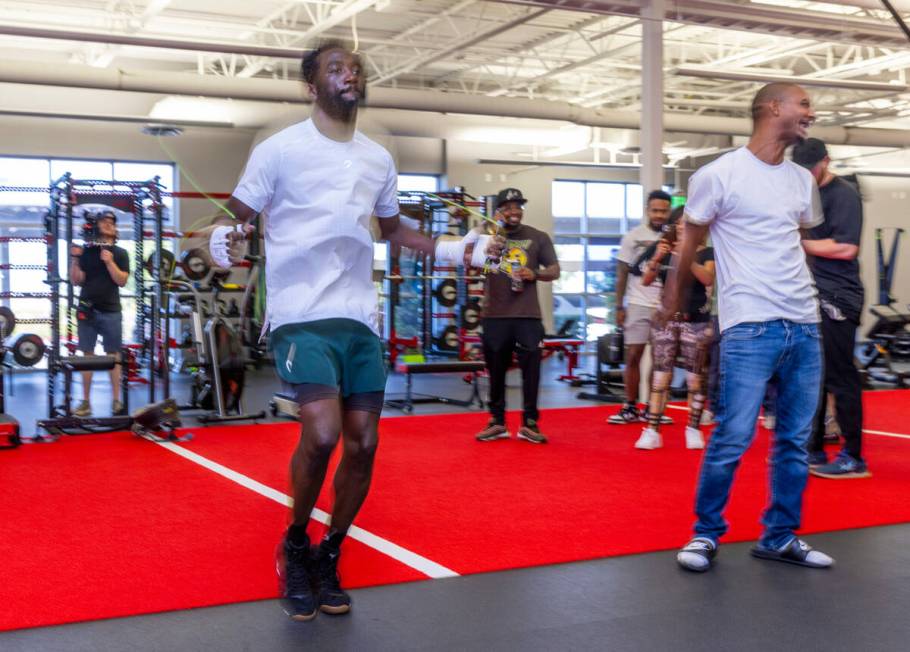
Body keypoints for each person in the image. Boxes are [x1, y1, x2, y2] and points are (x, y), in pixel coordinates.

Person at [206, 41, 502, 621]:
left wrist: (454, 247)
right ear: (311, 86)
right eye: (335, 68)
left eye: (355, 68)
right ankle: (295, 543)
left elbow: (393, 230)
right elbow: (231, 218)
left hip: (358, 315)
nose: (351, 74)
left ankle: (329, 551)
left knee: (363, 442)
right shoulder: (280, 150)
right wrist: (222, 240)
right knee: (320, 434)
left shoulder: (376, 158)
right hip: (298, 312)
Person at [669, 82, 834, 572]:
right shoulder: (718, 175)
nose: (811, 112)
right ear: (771, 108)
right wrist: (673, 298)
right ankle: (705, 535)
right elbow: (690, 242)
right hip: (749, 326)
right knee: (733, 436)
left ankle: (780, 536)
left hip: (804, 324)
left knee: (794, 441)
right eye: (802, 103)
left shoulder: (801, 180)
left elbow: (794, 237)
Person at [793, 137, 869, 479]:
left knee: (841, 376)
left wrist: (797, 241)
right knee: (813, 377)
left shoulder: (843, 195)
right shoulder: (807, 193)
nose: (808, 175)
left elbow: (846, 248)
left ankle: (853, 456)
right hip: (810, 295)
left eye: (812, 169)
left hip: (840, 296)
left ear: (826, 161)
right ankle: (812, 450)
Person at [473, 188, 560, 444]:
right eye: (508, 207)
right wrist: (488, 235)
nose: (514, 211)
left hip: (527, 315)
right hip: (495, 315)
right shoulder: (486, 237)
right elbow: (475, 263)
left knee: (531, 370)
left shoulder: (538, 237)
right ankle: (497, 421)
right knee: (496, 370)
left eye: (517, 206)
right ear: (498, 210)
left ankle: (530, 423)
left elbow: (554, 270)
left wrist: (535, 274)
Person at [633, 208, 714, 450]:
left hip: (695, 319)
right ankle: (652, 430)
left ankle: (693, 428)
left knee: (695, 378)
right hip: (665, 320)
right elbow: (646, 280)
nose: (682, 227)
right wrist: (657, 258)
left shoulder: (707, 251)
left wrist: (685, 256)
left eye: (687, 224)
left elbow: (708, 279)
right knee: (661, 376)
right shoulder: (664, 248)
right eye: (678, 224)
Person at [608, 189, 673, 425]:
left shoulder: (675, 237)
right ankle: (630, 406)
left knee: (660, 360)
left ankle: (652, 408)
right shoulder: (633, 236)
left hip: (664, 307)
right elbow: (622, 273)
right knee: (633, 355)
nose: (659, 215)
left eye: (664, 211)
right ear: (647, 210)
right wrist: (619, 306)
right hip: (637, 303)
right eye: (655, 210)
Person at [69, 210, 130, 417]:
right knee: (87, 355)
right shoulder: (87, 253)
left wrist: (109, 261)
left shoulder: (120, 253)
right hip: (87, 309)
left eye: (112, 222)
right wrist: (75, 260)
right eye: (104, 221)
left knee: (114, 355)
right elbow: (76, 280)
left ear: (115, 230)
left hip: (111, 311)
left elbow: (121, 281)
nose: (108, 224)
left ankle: (116, 401)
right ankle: (85, 402)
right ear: (97, 226)